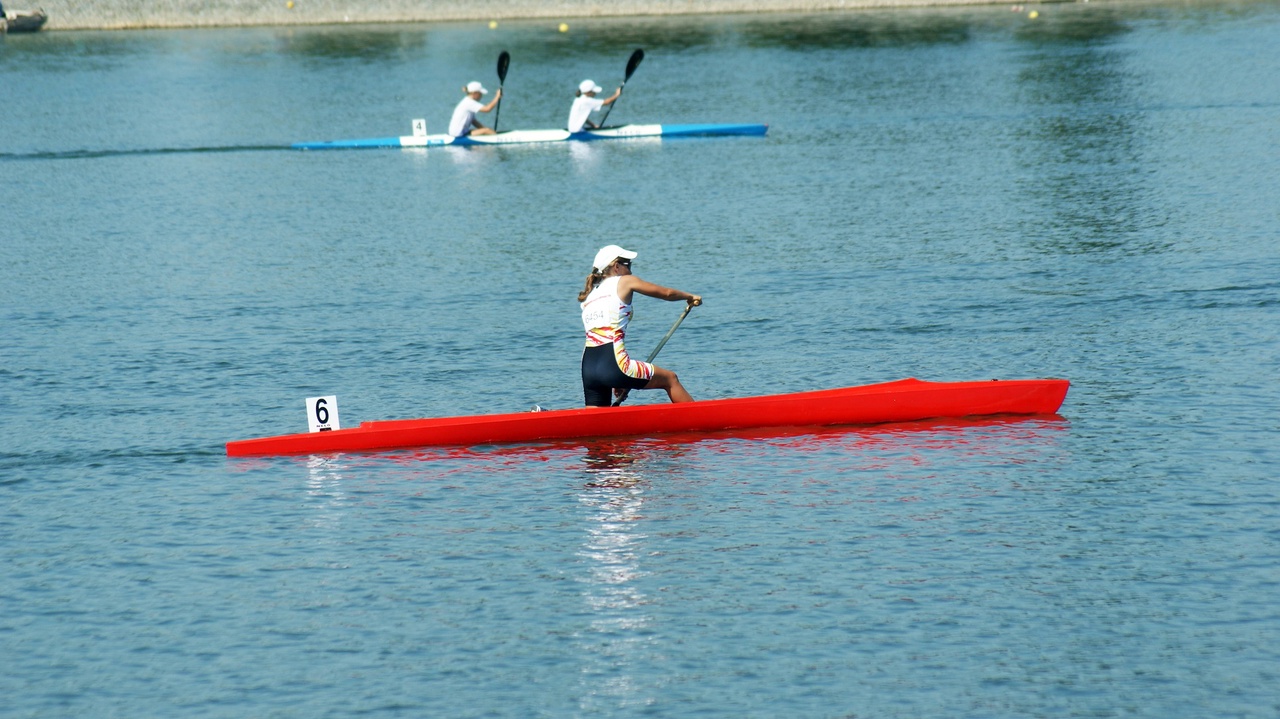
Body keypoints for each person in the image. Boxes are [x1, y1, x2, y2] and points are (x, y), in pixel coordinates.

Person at [579, 245, 702, 407]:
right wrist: (689, 296)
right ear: (616, 267)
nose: (630, 271)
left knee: (595, 422)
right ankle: (701, 420)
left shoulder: (590, 296)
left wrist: (616, 376)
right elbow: (667, 293)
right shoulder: (624, 281)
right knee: (670, 379)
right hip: (616, 364)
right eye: (627, 265)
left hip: (588, 368)